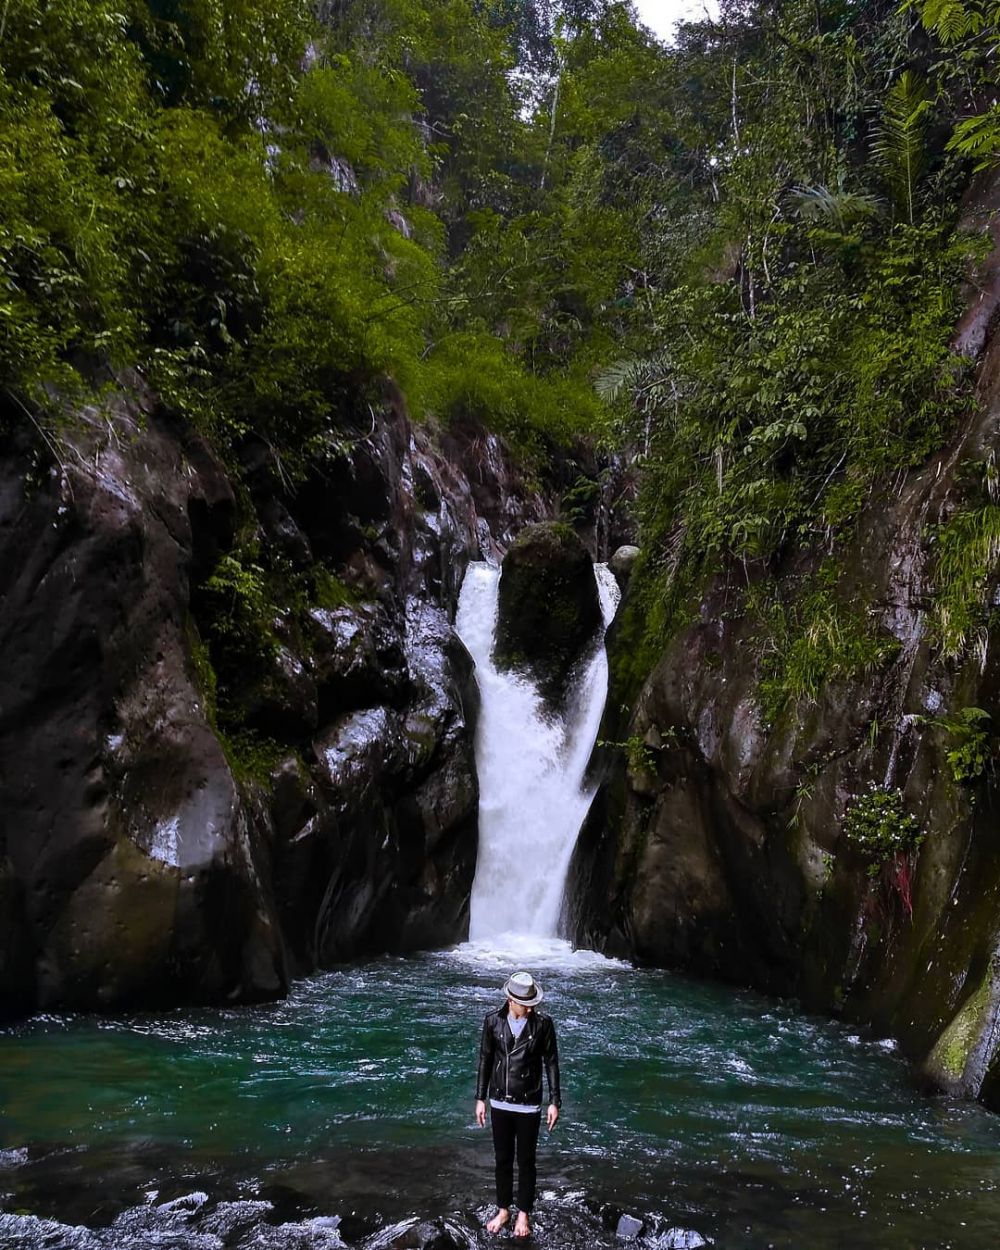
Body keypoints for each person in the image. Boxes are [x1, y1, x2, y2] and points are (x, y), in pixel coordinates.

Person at [475, 970, 561, 1238]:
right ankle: (503, 1209)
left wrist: (554, 1101)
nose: (529, 1008)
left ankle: (523, 1213)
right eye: (525, 1003)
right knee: (502, 1160)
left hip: (529, 1104)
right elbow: (485, 1060)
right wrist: (480, 1098)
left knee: (526, 1161)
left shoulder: (543, 1025)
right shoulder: (492, 1022)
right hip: (500, 1101)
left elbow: (552, 1062)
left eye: (532, 1003)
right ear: (511, 1000)